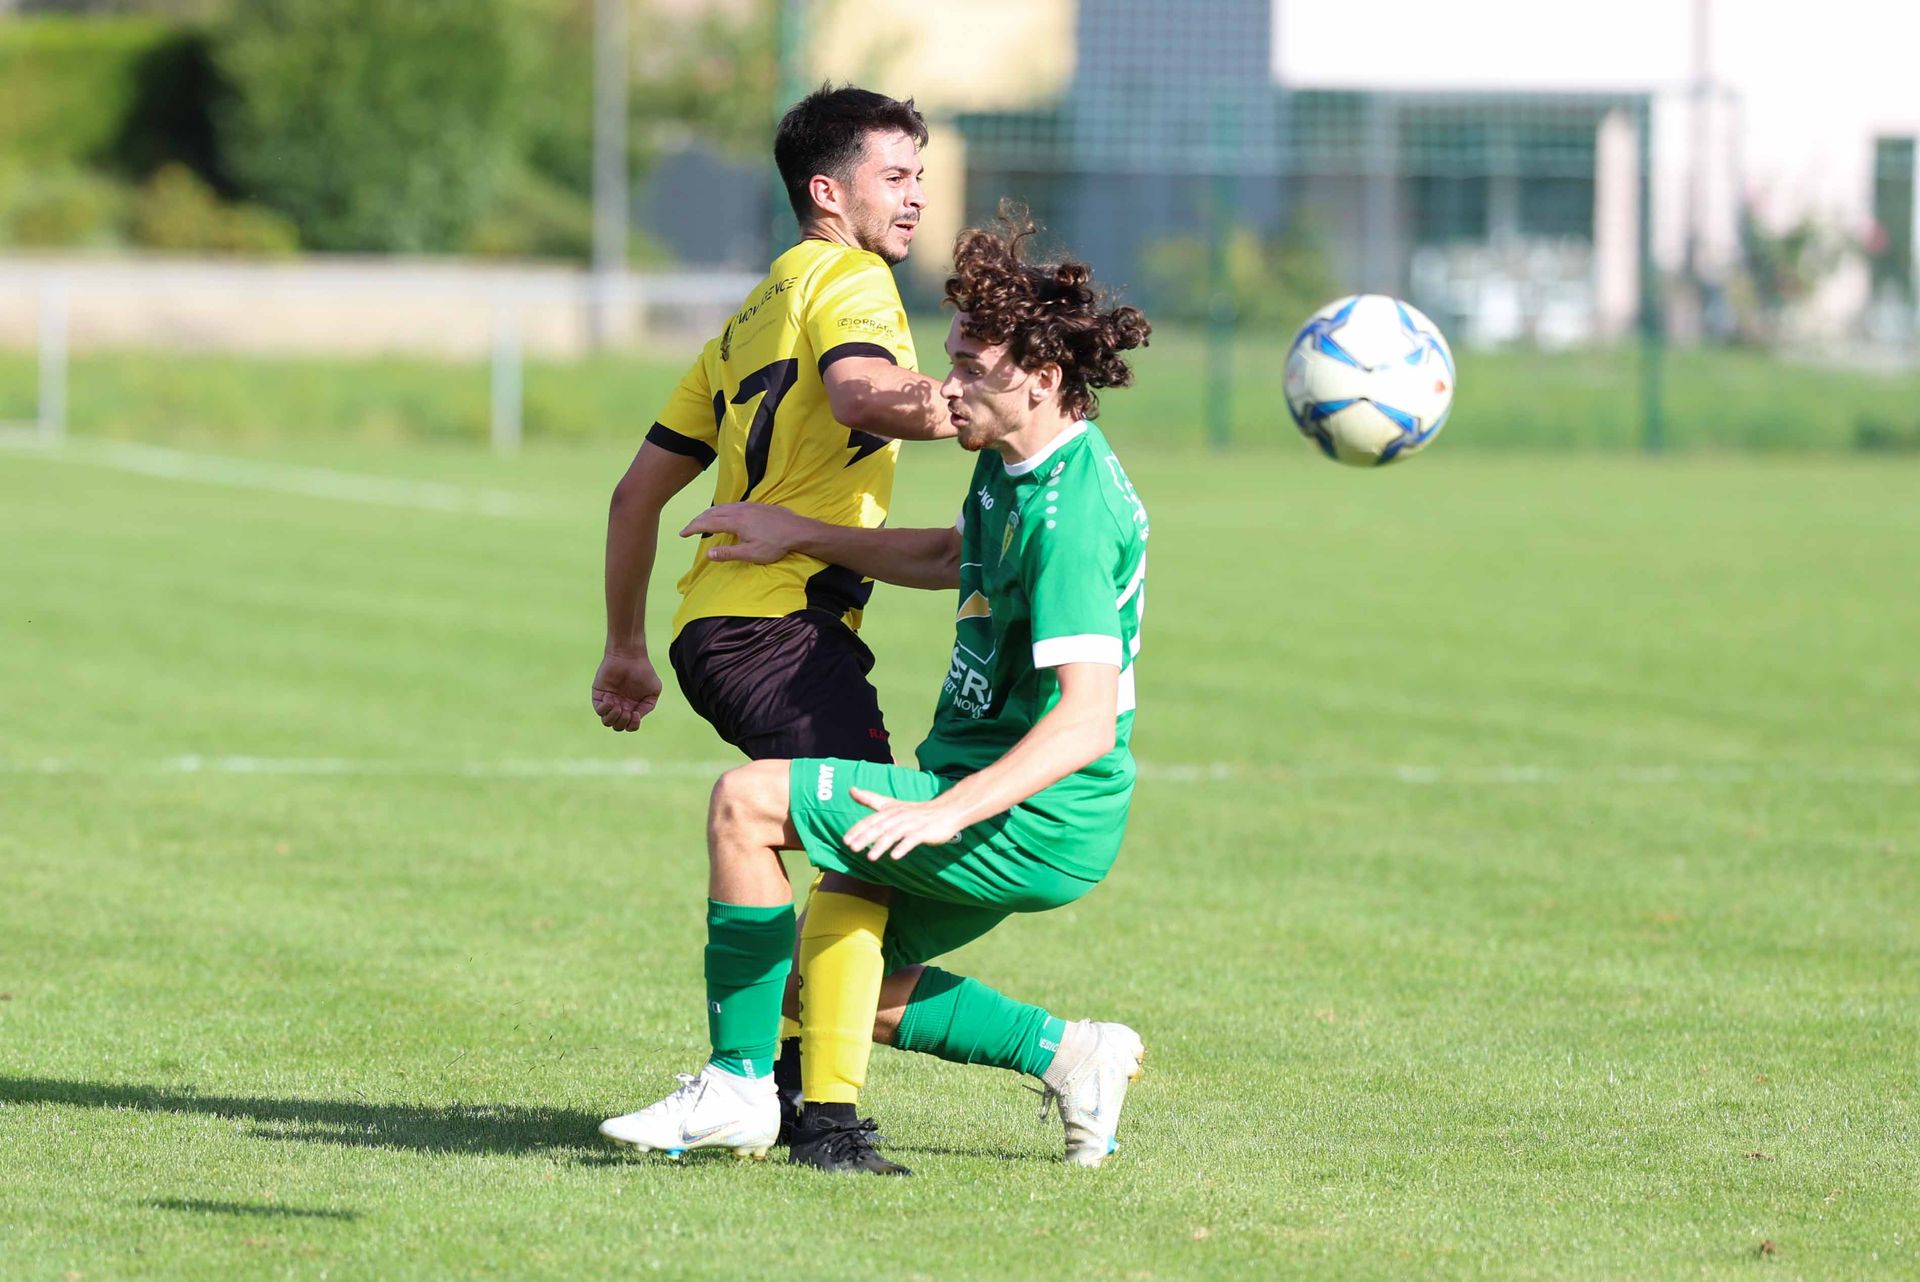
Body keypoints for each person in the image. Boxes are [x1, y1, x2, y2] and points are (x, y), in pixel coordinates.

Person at [589, 86, 1103, 1164]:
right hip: (784, 627)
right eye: (895, 177)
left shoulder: (751, 312)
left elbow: (634, 496)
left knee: (845, 866)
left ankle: (1032, 1058)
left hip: (717, 626)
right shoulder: (852, 279)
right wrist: (973, 402)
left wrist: (626, 647)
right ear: (827, 193)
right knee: (859, 850)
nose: (915, 197)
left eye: (921, 176)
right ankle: (806, 1111)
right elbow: (865, 392)